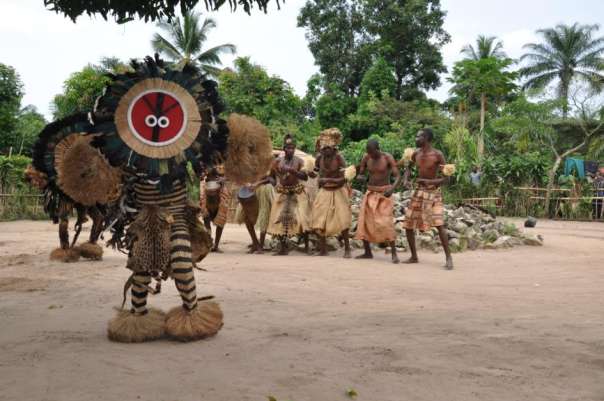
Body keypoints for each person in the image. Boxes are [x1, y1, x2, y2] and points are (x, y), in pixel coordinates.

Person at [399, 128, 453, 270]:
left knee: (439, 224)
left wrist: (430, 182)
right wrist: (406, 179)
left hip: (433, 193)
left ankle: (449, 258)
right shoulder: (416, 153)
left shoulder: (437, 155)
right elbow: (408, 168)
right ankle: (414, 256)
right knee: (408, 224)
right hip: (419, 192)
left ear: (427, 138)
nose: (416, 139)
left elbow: (447, 179)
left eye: (419, 136)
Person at [354, 139, 400, 264]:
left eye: (372, 152)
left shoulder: (387, 158)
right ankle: (367, 252)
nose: (370, 155)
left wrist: (392, 188)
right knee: (364, 222)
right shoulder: (366, 158)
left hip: (384, 194)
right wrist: (360, 177)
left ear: (377, 149)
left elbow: (397, 176)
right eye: (368, 152)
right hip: (370, 193)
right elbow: (361, 174)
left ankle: (394, 253)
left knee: (386, 222)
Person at [310, 129, 352, 258]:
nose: (324, 151)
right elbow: (316, 173)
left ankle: (347, 249)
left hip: (338, 191)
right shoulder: (319, 158)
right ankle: (323, 249)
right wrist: (310, 173)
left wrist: (328, 179)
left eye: (326, 148)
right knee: (319, 218)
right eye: (322, 148)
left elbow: (345, 178)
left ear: (333, 148)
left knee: (343, 220)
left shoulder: (339, 158)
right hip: (324, 192)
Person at [267, 134, 311, 255]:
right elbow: (271, 177)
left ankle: (307, 247)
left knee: (302, 219)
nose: (290, 150)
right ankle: (282, 248)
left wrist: (293, 171)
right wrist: (274, 183)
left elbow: (305, 177)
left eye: (292, 148)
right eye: (287, 147)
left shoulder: (300, 161)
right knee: (279, 219)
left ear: (295, 148)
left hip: (297, 191)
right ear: (284, 148)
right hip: (283, 191)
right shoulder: (277, 161)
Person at [234, 172, 275, 254]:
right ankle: (255, 243)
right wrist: (246, 184)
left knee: (263, 217)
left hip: (264, 190)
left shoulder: (269, 164)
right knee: (247, 219)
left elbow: (272, 180)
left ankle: (261, 246)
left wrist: (258, 183)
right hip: (250, 189)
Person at [200, 165, 231, 252]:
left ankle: (216, 245)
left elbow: (231, 176)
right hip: (207, 202)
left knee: (220, 224)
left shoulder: (221, 175)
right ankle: (209, 244)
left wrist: (223, 180)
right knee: (206, 222)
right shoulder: (204, 178)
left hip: (219, 202)